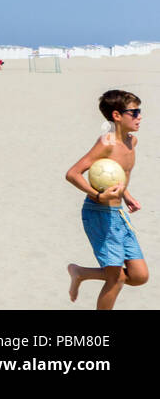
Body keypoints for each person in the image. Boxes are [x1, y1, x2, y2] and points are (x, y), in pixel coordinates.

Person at [66, 90, 147, 309]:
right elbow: (72, 173)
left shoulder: (132, 142)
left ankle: (80, 272)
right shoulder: (106, 143)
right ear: (117, 116)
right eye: (135, 112)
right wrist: (98, 195)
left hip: (118, 213)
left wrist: (127, 196)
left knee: (139, 276)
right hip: (99, 213)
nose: (140, 116)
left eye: (140, 111)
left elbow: (118, 175)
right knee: (117, 278)